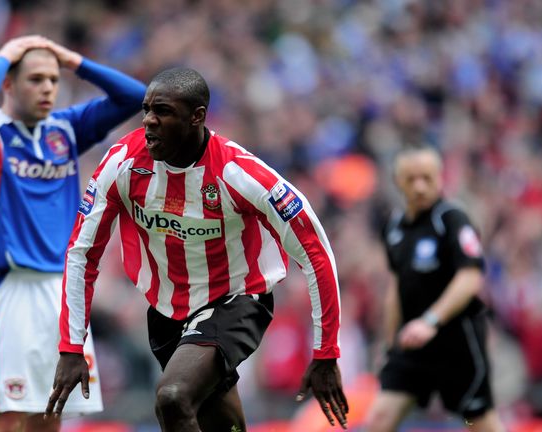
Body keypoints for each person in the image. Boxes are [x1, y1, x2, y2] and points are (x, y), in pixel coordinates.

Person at [44, 67, 349, 431]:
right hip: (166, 312)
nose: (149, 121)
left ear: (197, 117)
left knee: (173, 396)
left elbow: (315, 251)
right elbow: (82, 253)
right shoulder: (122, 163)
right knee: (220, 425)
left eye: (163, 111)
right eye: (146, 110)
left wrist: (326, 352)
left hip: (235, 300)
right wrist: (71, 346)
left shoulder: (240, 173)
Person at [0, 35, 146, 431]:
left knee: (49, 420)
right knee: (7, 422)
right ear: (8, 83)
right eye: (35, 79)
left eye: (53, 80)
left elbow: (135, 96)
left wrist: (73, 60)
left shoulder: (64, 130)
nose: (48, 89)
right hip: (10, 295)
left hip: (61, 297)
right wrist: (9, 52)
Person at [364, 146, 505, 431]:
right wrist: (389, 343)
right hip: (412, 344)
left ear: (441, 178)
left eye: (427, 178)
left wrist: (431, 320)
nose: (420, 186)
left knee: (479, 422)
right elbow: (396, 286)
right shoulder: (394, 227)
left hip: (456, 342)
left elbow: (470, 277)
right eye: (411, 179)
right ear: (398, 182)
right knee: (379, 418)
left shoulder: (452, 220)